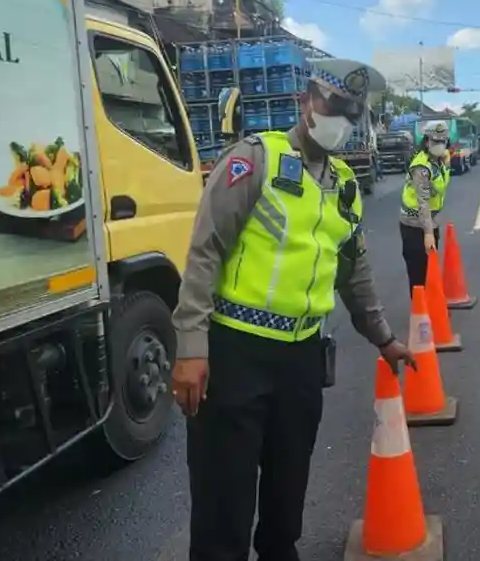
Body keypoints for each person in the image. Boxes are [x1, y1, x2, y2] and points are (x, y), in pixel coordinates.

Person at [171, 57, 417, 561]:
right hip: (235, 352)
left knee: (288, 487)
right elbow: (204, 252)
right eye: (333, 106)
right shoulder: (254, 159)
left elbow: (355, 272)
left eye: (352, 113)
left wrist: (384, 338)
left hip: (303, 356)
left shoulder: (344, 185)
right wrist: (191, 347)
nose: (342, 120)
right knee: (225, 496)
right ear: (304, 101)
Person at [399, 122, 452, 295]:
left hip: (430, 221)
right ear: (427, 141)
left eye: (442, 141)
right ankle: (420, 314)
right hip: (415, 225)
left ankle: (432, 309)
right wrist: (428, 234)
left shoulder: (438, 162)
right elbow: (423, 202)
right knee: (418, 275)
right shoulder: (422, 167)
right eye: (435, 141)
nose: (439, 145)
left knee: (431, 269)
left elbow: (439, 189)